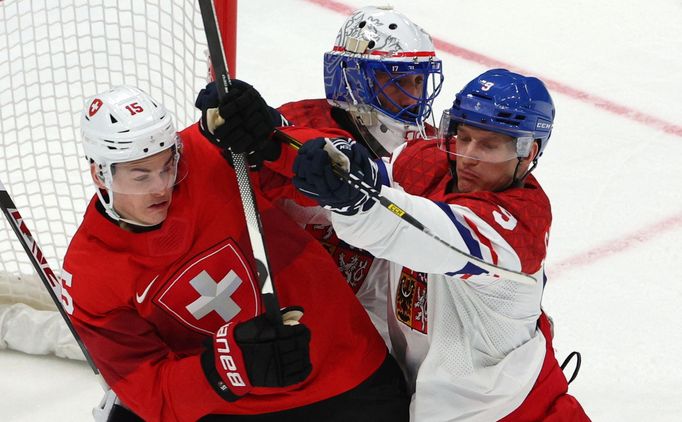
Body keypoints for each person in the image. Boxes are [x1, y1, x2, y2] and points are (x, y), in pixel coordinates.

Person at [61, 85, 409, 421]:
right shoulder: (89, 273)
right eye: (141, 177)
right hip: (229, 408)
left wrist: (270, 135)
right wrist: (229, 367)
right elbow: (153, 393)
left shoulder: (212, 153)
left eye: (168, 166)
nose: (161, 187)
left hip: (345, 374)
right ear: (100, 175)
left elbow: (329, 177)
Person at [292, 69, 590, 421]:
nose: (468, 156)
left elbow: (418, 231)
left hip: (514, 412)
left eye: (489, 146)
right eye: (463, 138)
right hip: (428, 399)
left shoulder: (516, 231)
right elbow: (376, 172)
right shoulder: (431, 165)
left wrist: (354, 200)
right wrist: (274, 135)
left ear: (528, 153)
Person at [195, 5, 444, 344]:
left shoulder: (428, 148)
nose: (414, 95)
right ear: (355, 79)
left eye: (419, 80)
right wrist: (226, 139)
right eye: (398, 80)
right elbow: (244, 182)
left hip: (382, 327)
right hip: (297, 313)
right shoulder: (299, 122)